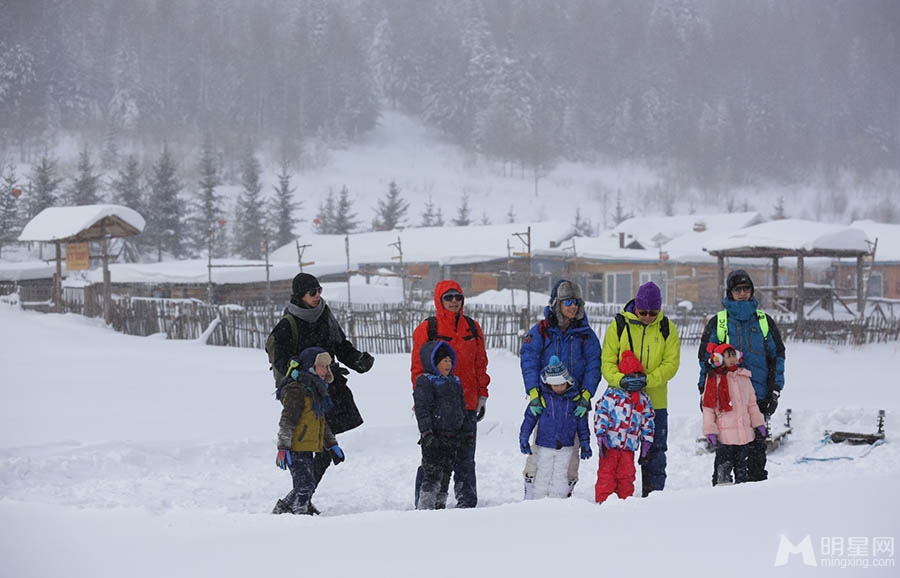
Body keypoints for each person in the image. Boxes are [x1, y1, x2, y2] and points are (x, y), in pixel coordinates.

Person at [266, 272, 374, 513]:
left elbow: (339, 345)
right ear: (299, 295)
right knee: (306, 444)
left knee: (327, 443)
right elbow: (280, 360)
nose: (317, 296)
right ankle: (298, 497)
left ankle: (298, 497)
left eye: (319, 291)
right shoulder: (288, 324)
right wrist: (300, 373)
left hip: (328, 384)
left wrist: (357, 360)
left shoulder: (325, 315)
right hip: (301, 391)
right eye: (311, 292)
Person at [697, 269, 785, 482]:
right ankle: (723, 496)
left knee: (756, 456)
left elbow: (777, 356)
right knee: (725, 457)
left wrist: (774, 390)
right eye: (738, 289)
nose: (743, 293)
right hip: (724, 400)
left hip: (757, 398)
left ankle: (755, 499)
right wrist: (704, 391)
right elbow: (705, 359)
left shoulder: (764, 321)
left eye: (747, 289)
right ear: (730, 292)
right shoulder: (719, 322)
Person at [410, 280, 490, 508]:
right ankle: (425, 502)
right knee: (434, 457)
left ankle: (467, 501)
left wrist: (482, 395)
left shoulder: (473, 327)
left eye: (458, 297)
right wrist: (421, 400)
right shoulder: (428, 328)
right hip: (439, 407)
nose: (454, 301)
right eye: (449, 297)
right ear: (439, 300)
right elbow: (418, 368)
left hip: (467, 403)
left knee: (465, 457)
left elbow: (480, 364)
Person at [520, 279, 601, 497]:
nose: (573, 306)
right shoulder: (542, 330)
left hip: (574, 402)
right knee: (540, 450)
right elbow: (529, 359)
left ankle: (565, 489)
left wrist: (586, 394)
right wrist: (534, 392)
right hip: (546, 400)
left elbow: (594, 364)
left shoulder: (586, 334)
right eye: (568, 302)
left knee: (571, 452)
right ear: (558, 304)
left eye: (576, 302)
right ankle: (532, 488)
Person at [601, 280, 680, 497]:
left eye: (652, 313)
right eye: (643, 312)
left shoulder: (667, 329)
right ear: (636, 306)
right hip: (621, 404)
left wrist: (648, 380)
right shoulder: (619, 325)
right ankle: (615, 496)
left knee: (655, 452)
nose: (647, 317)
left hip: (655, 403)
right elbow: (607, 362)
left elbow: (671, 364)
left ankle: (653, 496)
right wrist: (621, 380)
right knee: (617, 452)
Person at [272, 347, 344, 515]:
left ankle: (283, 508)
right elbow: (287, 420)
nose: (325, 371)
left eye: (327, 367)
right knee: (305, 484)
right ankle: (301, 513)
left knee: (307, 483)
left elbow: (321, 422)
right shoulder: (297, 390)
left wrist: (331, 444)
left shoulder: (317, 390)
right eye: (322, 366)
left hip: (308, 445)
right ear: (311, 366)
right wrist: (283, 447)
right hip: (295, 446)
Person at [518, 356, 592, 499]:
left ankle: (558, 500)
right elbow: (529, 419)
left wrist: (585, 443)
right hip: (544, 444)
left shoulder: (575, 400)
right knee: (543, 472)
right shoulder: (542, 398)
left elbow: (582, 426)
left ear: (567, 381)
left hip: (566, 445)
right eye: (554, 385)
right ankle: (537, 499)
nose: (558, 388)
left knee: (561, 473)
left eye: (561, 384)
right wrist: (523, 437)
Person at [701, 342, 767, 486]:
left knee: (742, 472)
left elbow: (752, 404)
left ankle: (741, 496)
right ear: (719, 358)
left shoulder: (744, 378)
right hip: (725, 437)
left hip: (744, 435)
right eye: (727, 356)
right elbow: (708, 408)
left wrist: (759, 424)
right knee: (723, 471)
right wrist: (710, 430)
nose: (731, 359)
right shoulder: (714, 379)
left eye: (733, 356)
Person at [413, 341, 469, 510]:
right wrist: (427, 433)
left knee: (446, 473)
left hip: (452, 436)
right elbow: (422, 410)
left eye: (450, 361)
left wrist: (464, 432)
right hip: (433, 437)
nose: (448, 364)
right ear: (434, 362)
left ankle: (440, 505)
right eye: (444, 360)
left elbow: (461, 408)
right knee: (432, 473)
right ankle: (426, 506)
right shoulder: (426, 381)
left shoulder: (454, 382)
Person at [593, 350, 655, 503]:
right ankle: (603, 501)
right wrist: (601, 433)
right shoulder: (612, 394)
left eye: (637, 375)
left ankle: (625, 501)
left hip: (629, 447)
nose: (634, 380)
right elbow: (601, 412)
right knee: (606, 474)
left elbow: (648, 419)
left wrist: (647, 440)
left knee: (627, 475)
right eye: (631, 376)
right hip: (610, 445)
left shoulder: (643, 399)